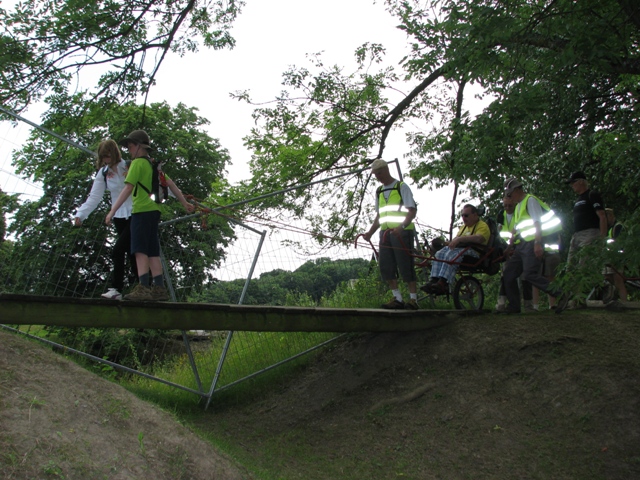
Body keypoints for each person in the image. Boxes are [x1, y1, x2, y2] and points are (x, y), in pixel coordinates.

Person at [105, 130, 195, 301]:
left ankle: (144, 287)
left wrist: (112, 211)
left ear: (139, 147)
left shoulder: (138, 163)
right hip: (154, 211)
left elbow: (128, 188)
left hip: (141, 211)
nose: (129, 150)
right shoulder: (152, 164)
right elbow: (170, 183)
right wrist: (184, 203)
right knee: (152, 250)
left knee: (139, 250)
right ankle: (159, 289)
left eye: (130, 146)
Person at [74, 139, 137, 300]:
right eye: (102, 157)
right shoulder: (103, 173)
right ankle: (139, 287)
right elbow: (94, 197)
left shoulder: (129, 165)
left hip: (136, 212)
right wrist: (81, 214)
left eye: (107, 156)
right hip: (118, 216)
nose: (105, 160)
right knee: (130, 252)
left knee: (119, 250)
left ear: (114, 153)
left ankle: (117, 288)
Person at [500, 178, 567, 314]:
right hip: (522, 246)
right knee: (509, 274)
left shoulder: (530, 201)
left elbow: (538, 223)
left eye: (510, 194)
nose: (509, 197)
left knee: (530, 274)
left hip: (532, 244)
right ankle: (514, 306)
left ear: (518, 190)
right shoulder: (519, 205)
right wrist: (509, 247)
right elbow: (516, 230)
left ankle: (560, 294)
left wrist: (537, 243)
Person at [362, 159, 419, 310]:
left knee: (405, 264)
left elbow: (412, 211)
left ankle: (413, 299)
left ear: (386, 170)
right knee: (386, 265)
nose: (377, 176)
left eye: (379, 173)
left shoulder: (401, 187)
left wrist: (401, 227)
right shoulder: (379, 191)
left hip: (402, 233)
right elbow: (380, 216)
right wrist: (370, 233)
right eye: (375, 174)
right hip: (385, 233)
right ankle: (397, 298)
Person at [422, 204, 490, 295]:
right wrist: (446, 243)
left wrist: (460, 239)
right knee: (439, 253)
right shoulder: (463, 227)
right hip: (462, 249)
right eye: (462, 215)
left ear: (475, 215)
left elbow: (479, 238)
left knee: (451, 254)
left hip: (475, 252)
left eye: (466, 215)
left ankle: (444, 282)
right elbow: (455, 240)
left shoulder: (482, 226)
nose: (463, 218)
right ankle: (434, 280)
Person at [565, 171, 607, 264]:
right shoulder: (578, 199)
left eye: (573, 182)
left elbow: (602, 215)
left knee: (584, 264)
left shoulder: (592, 195)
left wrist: (602, 238)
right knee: (570, 265)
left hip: (590, 234)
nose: (572, 185)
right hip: (577, 235)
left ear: (581, 181)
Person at [604, 208, 628, 302]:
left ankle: (624, 303)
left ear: (610, 216)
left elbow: (619, 243)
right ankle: (611, 301)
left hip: (617, 257)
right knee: (608, 281)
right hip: (609, 257)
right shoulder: (609, 228)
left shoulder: (618, 226)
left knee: (618, 281)